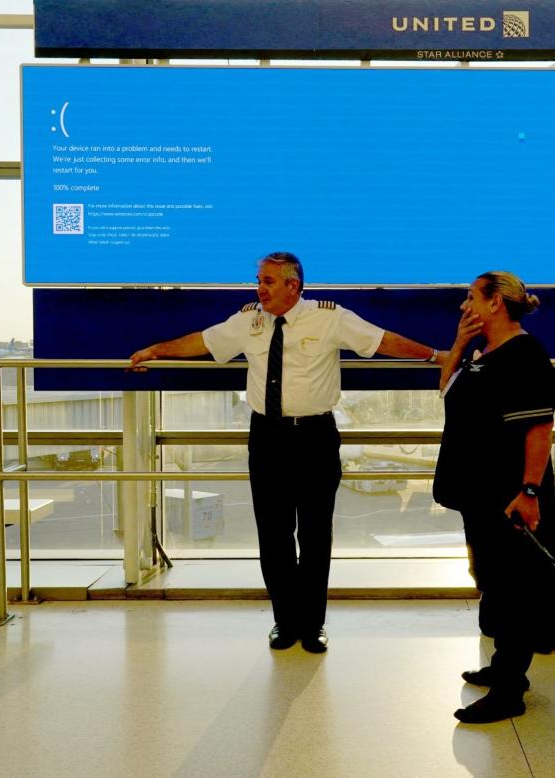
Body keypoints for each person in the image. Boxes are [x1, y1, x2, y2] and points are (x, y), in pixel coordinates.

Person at [128, 251, 443, 653]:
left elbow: (382, 341)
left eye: (268, 282)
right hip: (267, 438)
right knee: (273, 536)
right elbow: (201, 342)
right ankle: (284, 621)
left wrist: (436, 356)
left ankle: (313, 625)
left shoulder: (330, 317)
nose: (259, 288)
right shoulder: (250, 320)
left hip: (315, 438)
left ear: (294, 285)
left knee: (315, 535)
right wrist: (154, 350)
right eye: (258, 280)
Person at [432, 270, 555, 724]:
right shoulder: (484, 354)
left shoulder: (525, 355)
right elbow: (445, 391)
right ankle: (505, 668)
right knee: (491, 580)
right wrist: (459, 346)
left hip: (507, 494)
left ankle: (509, 690)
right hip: (478, 491)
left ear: (495, 303)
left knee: (513, 586)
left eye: (471, 298)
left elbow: (539, 429)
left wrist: (528, 490)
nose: (464, 306)